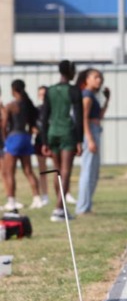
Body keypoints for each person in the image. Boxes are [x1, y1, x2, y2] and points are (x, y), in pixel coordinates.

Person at [41, 60, 84, 222]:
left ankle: (61, 207)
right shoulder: (74, 90)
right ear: (70, 71)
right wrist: (79, 140)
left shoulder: (50, 90)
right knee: (66, 171)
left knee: (57, 171)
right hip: (67, 132)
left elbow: (44, 117)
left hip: (52, 132)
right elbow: (78, 116)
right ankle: (59, 209)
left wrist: (44, 141)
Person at [1, 80, 43, 210]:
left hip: (14, 138)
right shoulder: (28, 105)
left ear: (13, 90)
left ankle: (11, 201)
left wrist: (6, 139)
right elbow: (32, 124)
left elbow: (4, 125)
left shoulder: (11, 105)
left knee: (9, 172)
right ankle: (37, 198)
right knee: (28, 170)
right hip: (25, 137)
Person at [76, 68, 110, 215]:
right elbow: (83, 118)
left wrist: (107, 100)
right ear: (87, 79)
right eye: (95, 77)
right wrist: (89, 139)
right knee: (88, 170)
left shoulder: (93, 96)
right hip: (90, 132)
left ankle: (87, 205)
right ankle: (82, 207)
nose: (99, 80)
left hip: (95, 130)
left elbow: (99, 116)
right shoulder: (87, 96)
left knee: (94, 172)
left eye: (100, 77)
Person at [33, 85, 52, 207]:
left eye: (44, 94)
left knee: (60, 169)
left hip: (53, 141)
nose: (42, 97)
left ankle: (65, 194)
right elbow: (32, 126)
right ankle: (45, 195)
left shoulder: (54, 109)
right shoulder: (36, 110)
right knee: (43, 170)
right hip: (40, 141)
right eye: (40, 94)